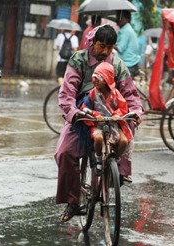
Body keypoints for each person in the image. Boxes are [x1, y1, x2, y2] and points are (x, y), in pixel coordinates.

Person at [55, 24, 144, 222]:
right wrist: (74, 113)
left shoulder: (118, 64)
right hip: (84, 115)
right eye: (101, 46)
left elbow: (130, 94)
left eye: (109, 47)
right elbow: (67, 93)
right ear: (92, 43)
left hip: (111, 114)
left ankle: (117, 173)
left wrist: (136, 112)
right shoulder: (79, 59)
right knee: (64, 152)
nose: (105, 52)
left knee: (124, 137)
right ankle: (73, 201)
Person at [79, 62, 133, 176]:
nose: (95, 80)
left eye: (99, 78)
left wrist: (117, 115)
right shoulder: (93, 93)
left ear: (108, 79)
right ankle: (98, 159)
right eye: (94, 77)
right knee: (98, 139)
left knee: (124, 141)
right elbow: (84, 108)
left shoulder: (116, 94)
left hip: (113, 125)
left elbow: (123, 107)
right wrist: (95, 114)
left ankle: (115, 161)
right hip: (98, 125)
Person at [115, 10, 141, 77]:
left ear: (127, 19)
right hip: (130, 63)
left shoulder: (126, 31)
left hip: (129, 64)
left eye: (120, 17)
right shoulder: (124, 29)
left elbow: (120, 48)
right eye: (117, 17)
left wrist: (109, 43)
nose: (117, 19)